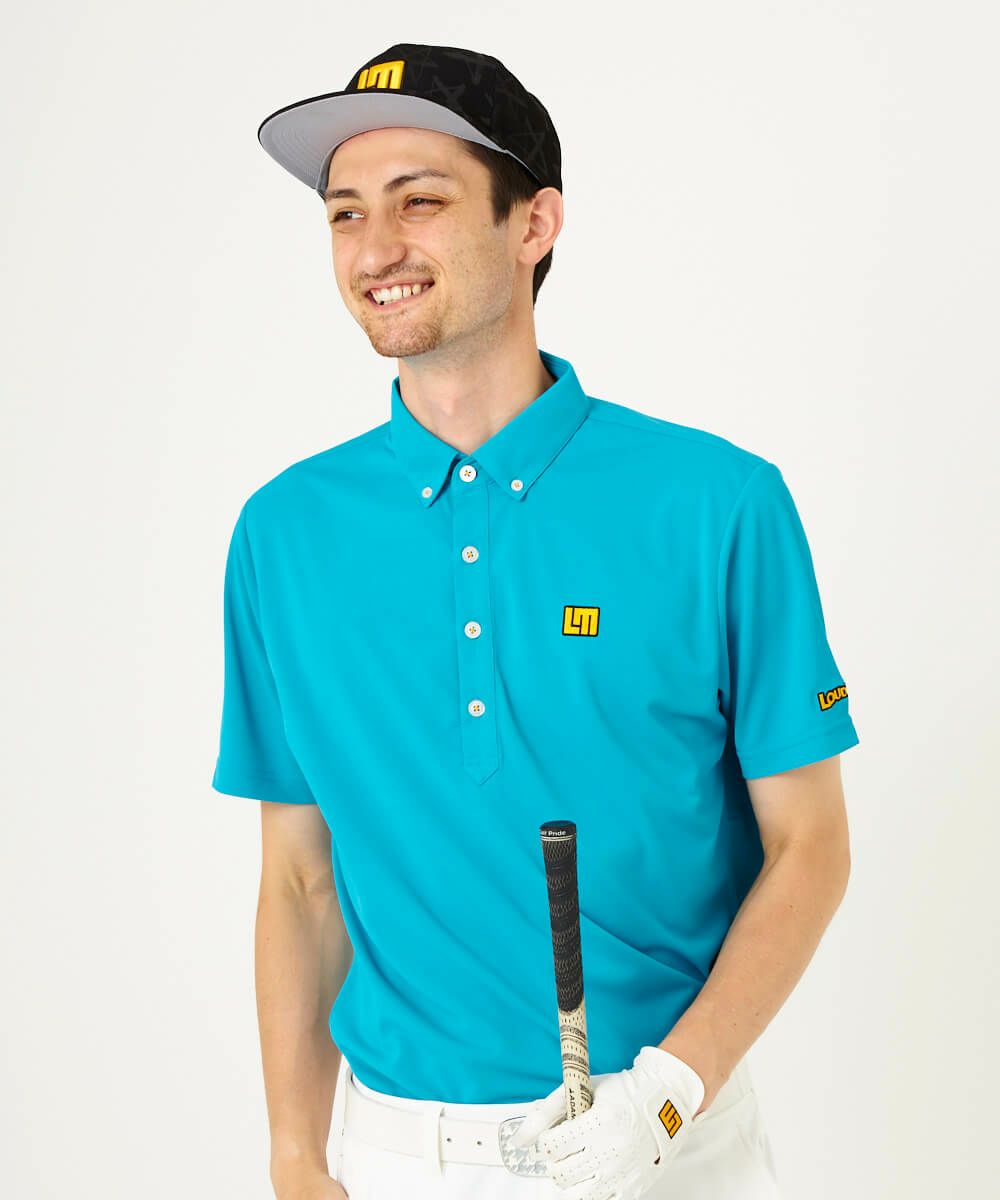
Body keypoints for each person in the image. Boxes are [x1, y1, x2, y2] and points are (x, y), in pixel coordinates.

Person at [212, 41, 860, 1200]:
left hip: (667, 1143)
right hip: (398, 1158)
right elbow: (300, 881)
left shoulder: (716, 503)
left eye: (419, 202)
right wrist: (296, 1158)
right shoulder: (283, 533)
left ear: (534, 223)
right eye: (346, 213)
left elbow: (809, 845)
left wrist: (667, 1093)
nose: (374, 248)